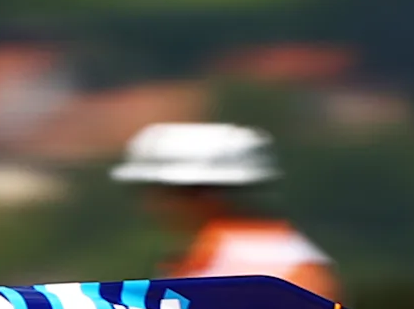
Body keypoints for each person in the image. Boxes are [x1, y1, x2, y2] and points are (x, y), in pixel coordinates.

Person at [110, 121, 339, 297]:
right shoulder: (206, 256)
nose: (147, 204)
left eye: (152, 190)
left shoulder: (272, 264)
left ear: (197, 193)